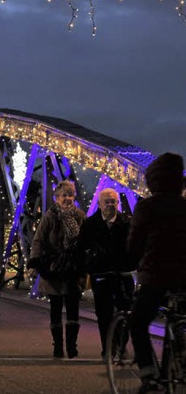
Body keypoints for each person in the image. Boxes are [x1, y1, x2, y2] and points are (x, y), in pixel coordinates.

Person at [128, 152, 186, 393]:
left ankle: (149, 376)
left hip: (156, 276)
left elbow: (135, 244)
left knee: (138, 321)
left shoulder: (147, 206)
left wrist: (130, 262)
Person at [27, 180, 86, 358]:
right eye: (64, 196)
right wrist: (34, 262)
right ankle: (58, 347)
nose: (67, 198)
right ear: (57, 198)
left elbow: (86, 240)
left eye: (70, 195)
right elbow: (38, 240)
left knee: (73, 309)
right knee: (56, 309)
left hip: (73, 269)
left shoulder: (80, 216)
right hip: (53, 268)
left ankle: (72, 347)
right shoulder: (50, 217)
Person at [77, 188, 135, 361]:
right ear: (100, 204)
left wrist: (132, 264)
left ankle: (121, 345)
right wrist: (87, 268)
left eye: (113, 201)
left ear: (118, 203)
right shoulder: (90, 224)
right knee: (103, 314)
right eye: (107, 202)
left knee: (125, 313)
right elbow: (81, 249)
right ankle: (108, 349)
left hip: (123, 274)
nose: (110, 205)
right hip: (101, 274)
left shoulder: (127, 222)